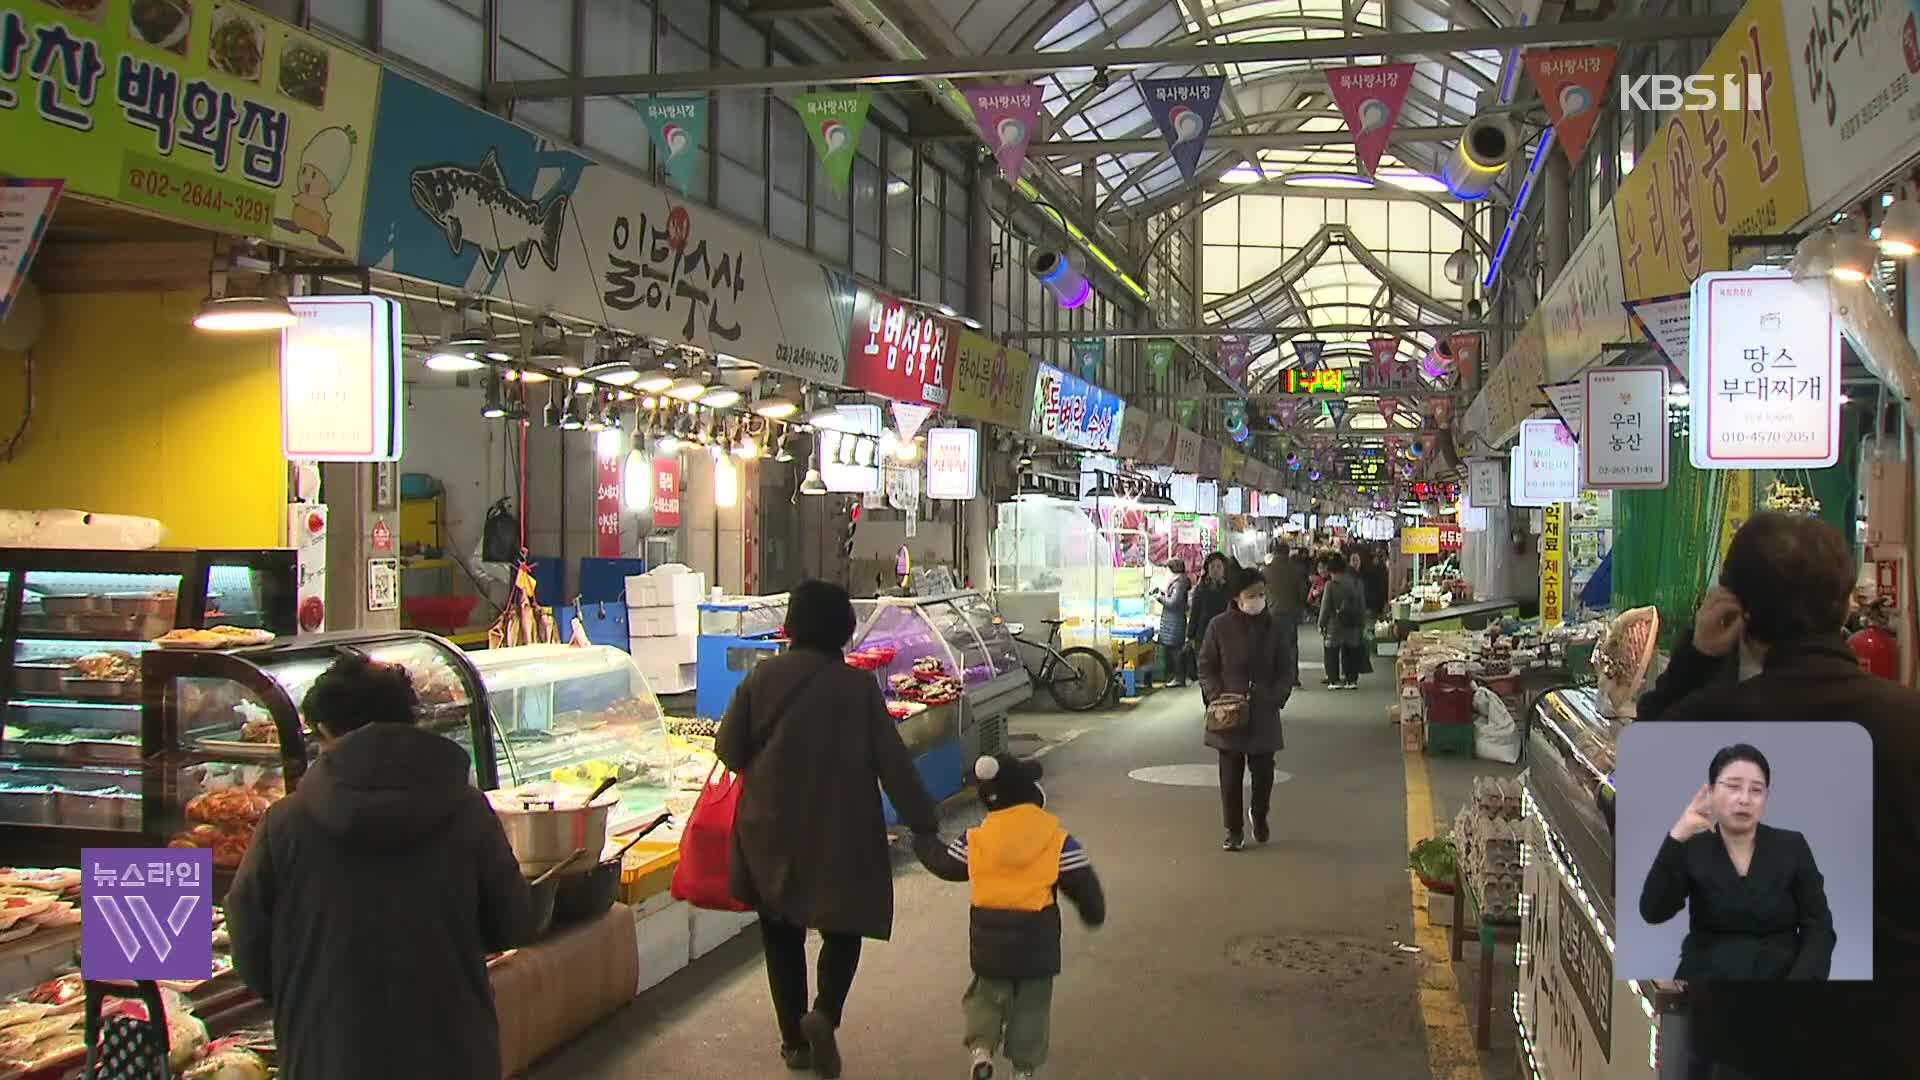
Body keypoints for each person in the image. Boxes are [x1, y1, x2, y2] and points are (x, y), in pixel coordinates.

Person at [1636, 513, 1920, 1080]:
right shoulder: (1908, 724)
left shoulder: (1710, 725)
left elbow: (1649, 886)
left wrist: (1696, 658)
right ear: (1844, 605)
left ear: (1740, 613)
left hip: (1750, 1044)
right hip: (1893, 1042)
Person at [225, 656, 533, 1080]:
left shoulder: (285, 822)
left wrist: (299, 993)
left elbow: (248, 936)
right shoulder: (467, 811)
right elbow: (513, 923)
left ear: (327, 732)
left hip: (327, 1051)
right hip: (450, 1050)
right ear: (408, 721)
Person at [717, 579, 942, 1078]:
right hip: (842, 828)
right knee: (844, 927)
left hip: (770, 827)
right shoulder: (858, 688)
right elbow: (893, 764)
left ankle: (794, 1043)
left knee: (781, 931)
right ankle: (824, 1013)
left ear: (792, 625)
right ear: (843, 629)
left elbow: (728, 751)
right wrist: (925, 823)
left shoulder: (761, 678)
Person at [914, 754, 1106, 1080]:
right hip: (1037, 943)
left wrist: (923, 841)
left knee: (985, 997)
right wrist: (1093, 912)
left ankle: (981, 1051)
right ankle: (1024, 1070)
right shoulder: (1056, 839)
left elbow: (945, 864)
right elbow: (1081, 883)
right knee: (1032, 1007)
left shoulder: (978, 838)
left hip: (989, 943)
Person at [1637, 744, 1835, 981]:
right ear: (1710, 792)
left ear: (1766, 797)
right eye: (1733, 787)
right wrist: (1678, 834)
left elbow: (1819, 928)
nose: (1744, 799)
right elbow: (1653, 911)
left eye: (1756, 790)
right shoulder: (1693, 847)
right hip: (1706, 986)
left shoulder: (1792, 846)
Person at [1199, 567, 1299, 851]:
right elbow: (1206, 666)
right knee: (1230, 776)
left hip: (1264, 711)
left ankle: (1260, 812)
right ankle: (1233, 830)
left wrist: (1277, 696)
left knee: (1264, 772)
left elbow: (1286, 668)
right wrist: (1217, 696)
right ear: (1236, 597)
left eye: (1261, 594)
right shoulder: (1218, 627)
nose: (1257, 600)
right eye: (1251, 595)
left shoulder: (1275, 627)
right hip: (1227, 713)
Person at [1317, 556, 1369, 689]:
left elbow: (1325, 607)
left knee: (1332, 652)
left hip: (1335, 624)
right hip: (1353, 624)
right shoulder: (1356, 582)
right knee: (1351, 651)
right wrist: (1362, 622)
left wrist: (1321, 624)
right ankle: (1351, 680)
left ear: (1333, 571)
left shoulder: (1330, 585)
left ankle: (1333, 680)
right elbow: (1362, 604)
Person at [1185, 553, 1232, 684]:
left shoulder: (1230, 589)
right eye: (1212, 567)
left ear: (1224, 569)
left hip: (1226, 636)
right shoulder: (1201, 589)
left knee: (1223, 673)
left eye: (1219, 567)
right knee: (1206, 673)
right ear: (1207, 569)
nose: (1215, 570)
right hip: (1204, 635)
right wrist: (1190, 636)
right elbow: (1195, 613)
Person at [1152, 558, 1191, 688]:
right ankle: (1177, 677)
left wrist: (1160, 598)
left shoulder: (1179, 583)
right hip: (1172, 620)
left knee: (1176, 650)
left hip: (1174, 620)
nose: (1166, 572)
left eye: (1167, 569)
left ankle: (1179, 678)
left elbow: (1174, 603)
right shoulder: (1178, 582)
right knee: (1175, 650)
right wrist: (1164, 594)